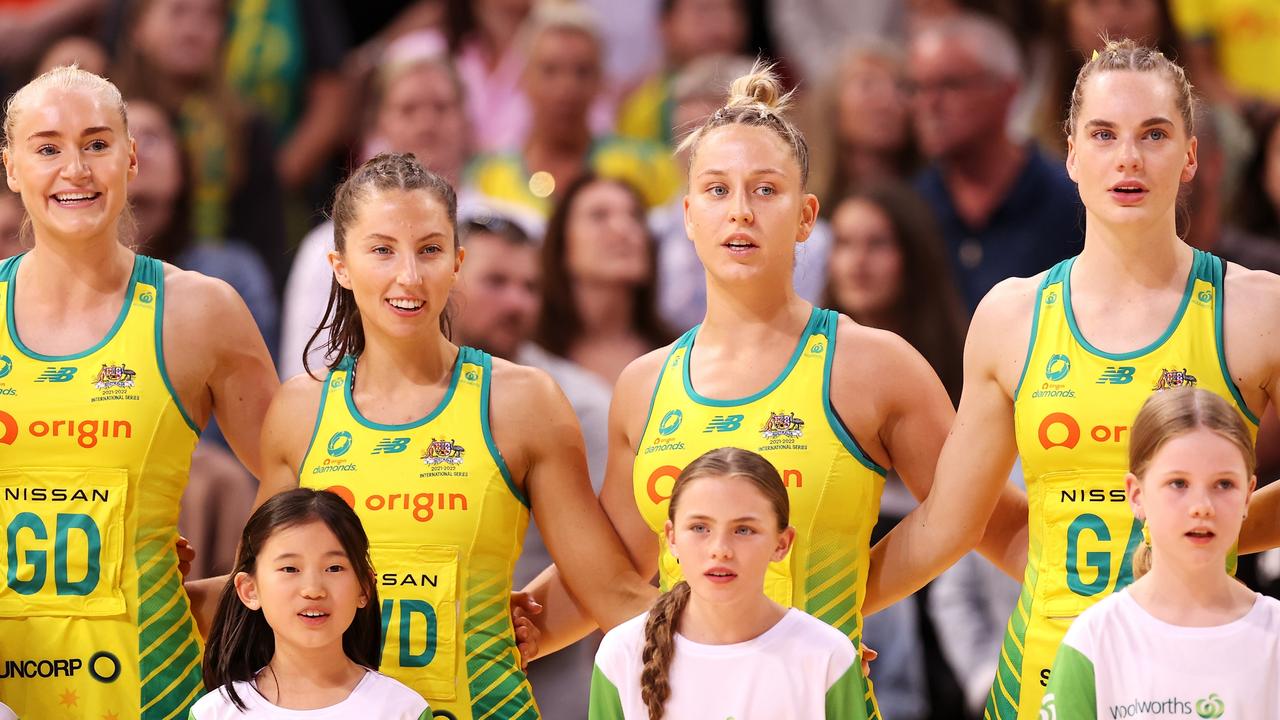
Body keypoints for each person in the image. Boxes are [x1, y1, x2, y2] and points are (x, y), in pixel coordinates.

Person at [526, 61, 1029, 720]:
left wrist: (825, 617)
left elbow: (977, 521)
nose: (739, 210)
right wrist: (507, 623)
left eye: (766, 190)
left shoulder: (872, 364)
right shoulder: (644, 385)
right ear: (686, 215)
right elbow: (608, 571)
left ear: (804, 216)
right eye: (715, 190)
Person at [862, 39, 1280, 720]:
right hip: (1041, 681)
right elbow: (951, 523)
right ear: (1071, 154)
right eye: (1104, 135)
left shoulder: (1257, 309)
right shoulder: (1011, 316)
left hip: (1201, 680)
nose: (1129, 159)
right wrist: (822, 614)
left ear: (1191, 157)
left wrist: (1209, 531)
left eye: (1154, 135)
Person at [256, 152, 654, 719]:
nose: (409, 277)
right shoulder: (299, 410)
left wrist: (751, 652)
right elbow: (258, 597)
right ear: (340, 265)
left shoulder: (523, 401)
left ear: (457, 261)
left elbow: (610, 593)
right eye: (382, 250)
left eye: (430, 250)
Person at [0, 66, 278, 718]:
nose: (75, 169)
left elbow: (305, 483)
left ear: (131, 159)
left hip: (152, 683)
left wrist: (241, 591)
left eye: (97, 144)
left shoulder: (200, 311)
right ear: (11, 167)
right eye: (47, 147)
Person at [453, 214, 612, 719]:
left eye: (530, 286)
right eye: (496, 282)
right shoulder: (366, 402)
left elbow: (617, 561)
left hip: (549, 675)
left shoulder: (580, 403)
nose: (518, 302)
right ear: (445, 276)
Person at [1042, 388, 1280, 719]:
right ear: (1136, 494)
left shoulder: (1274, 636)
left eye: (1224, 484)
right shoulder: (1095, 639)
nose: (1202, 507)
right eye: (1178, 483)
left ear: (1248, 495)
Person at [588, 447, 863, 719]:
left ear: (782, 543)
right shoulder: (621, 654)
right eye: (700, 528)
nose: (720, 549)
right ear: (671, 537)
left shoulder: (826, 655)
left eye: (743, 530)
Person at [193, 488, 430, 719]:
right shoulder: (214, 712)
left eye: (334, 568)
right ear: (250, 590)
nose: (313, 590)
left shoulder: (403, 710)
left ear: (364, 587)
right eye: (290, 569)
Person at [909, 12, 1083, 310]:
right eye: (917, 88)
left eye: (949, 85)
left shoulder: (1073, 203)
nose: (929, 104)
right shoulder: (910, 207)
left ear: (1008, 90)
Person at [465, 3, 681, 217]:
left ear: (601, 82)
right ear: (524, 79)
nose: (566, 88)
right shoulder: (488, 176)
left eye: (582, 71)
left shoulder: (647, 167)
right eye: (550, 70)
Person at [535, 173, 673, 384]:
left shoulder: (682, 356)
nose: (623, 229)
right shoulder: (528, 355)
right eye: (599, 216)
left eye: (635, 216)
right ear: (561, 245)